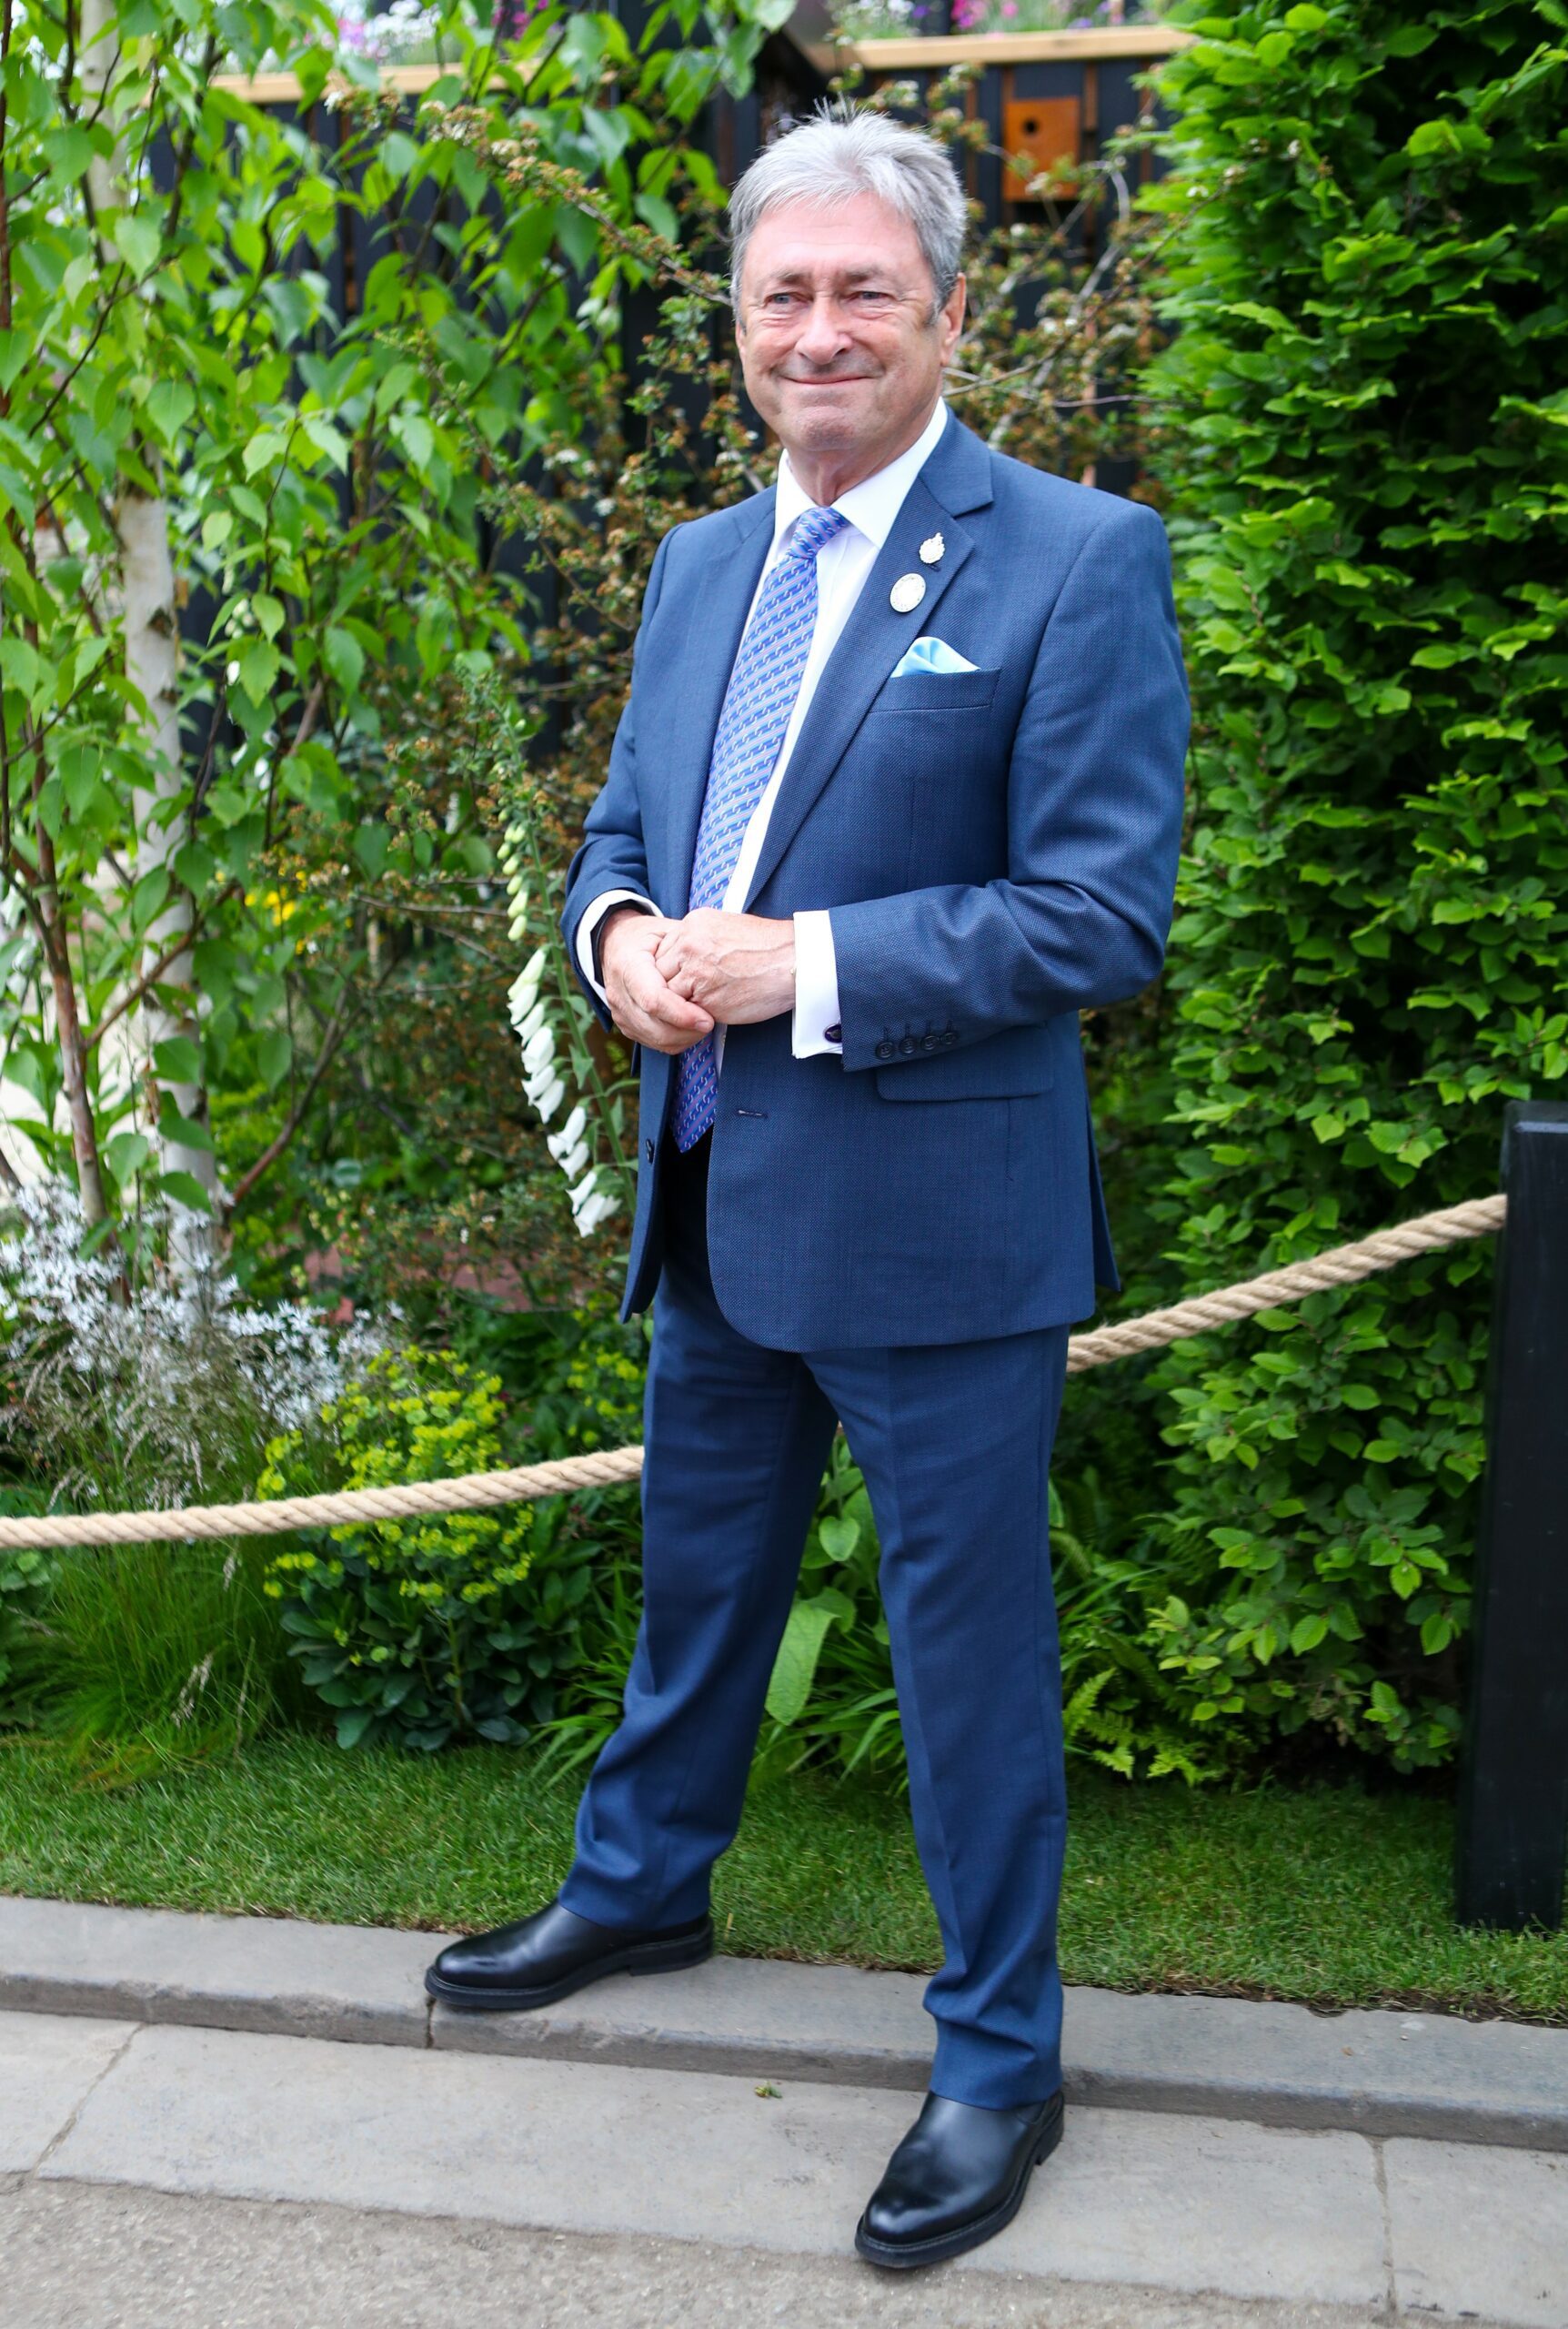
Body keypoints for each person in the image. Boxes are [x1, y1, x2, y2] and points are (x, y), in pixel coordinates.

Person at [427, 104, 1188, 2271]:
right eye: (785, 294)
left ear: (947, 313)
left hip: (942, 1229)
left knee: (963, 1653)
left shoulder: (1071, 558)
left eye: (866, 291)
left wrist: (808, 966)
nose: (820, 329)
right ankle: (644, 1884)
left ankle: (996, 2055)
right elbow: (621, 841)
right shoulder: (695, 565)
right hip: (717, 1191)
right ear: (741, 325)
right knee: (696, 1587)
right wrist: (618, 950)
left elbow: (1101, 914)